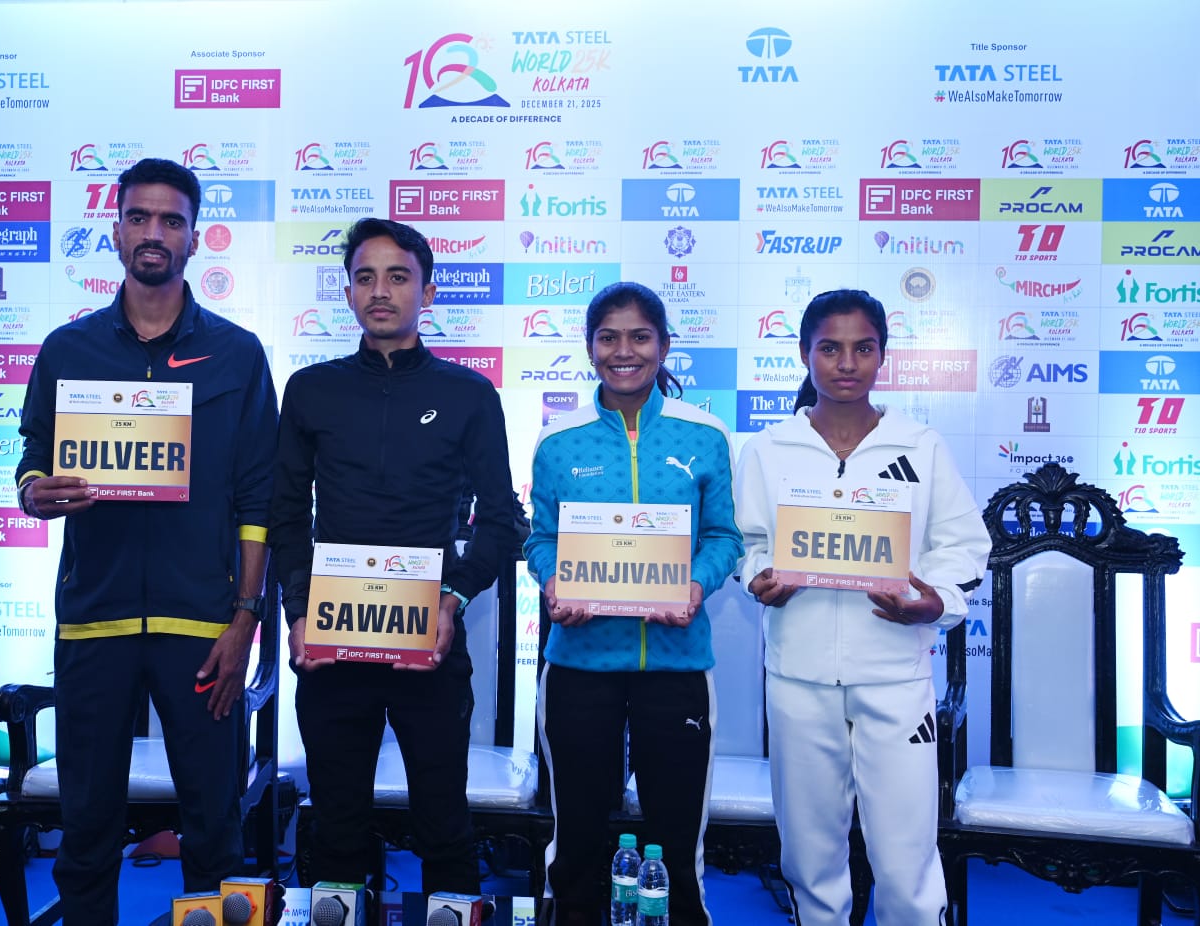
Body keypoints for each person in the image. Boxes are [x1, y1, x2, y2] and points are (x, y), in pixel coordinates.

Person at [14, 157, 278, 926]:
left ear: (195, 237)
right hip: (93, 621)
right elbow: (33, 458)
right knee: (86, 830)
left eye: (170, 220)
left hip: (201, 626)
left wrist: (244, 619)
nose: (153, 232)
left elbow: (257, 498)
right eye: (138, 217)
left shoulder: (237, 354)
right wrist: (34, 492)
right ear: (116, 231)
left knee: (214, 831)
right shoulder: (68, 349)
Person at [269, 217, 517, 896]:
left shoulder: (468, 394)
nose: (380, 291)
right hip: (332, 642)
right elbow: (285, 515)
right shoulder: (310, 390)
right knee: (336, 828)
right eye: (365, 277)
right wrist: (297, 612)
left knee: (445, 826)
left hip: (428, 641)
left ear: (427, 292)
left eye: (398, 276)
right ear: (347, 292)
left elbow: (502, 521)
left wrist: (454, 599)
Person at [733, 289, 990, 926]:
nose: (846, 363)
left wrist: (934, 602)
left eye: (863, 348)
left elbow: (963, 546)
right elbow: (748, 542)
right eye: (830, 348)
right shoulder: (769, 449)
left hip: (896, 678)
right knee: (809, 855)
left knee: (906, 859)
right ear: (804, 354)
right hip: (798, 678)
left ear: (882, 355)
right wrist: (758, 574)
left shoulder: (921, 445)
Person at [524, 281, 743, 926]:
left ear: (664, 345)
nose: (624, 351)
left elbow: (724, 536)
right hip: (579, 665)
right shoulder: (558, 442)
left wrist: (695, 585)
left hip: (676, 665)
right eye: (609, 337)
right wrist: (554, 582)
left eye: (640, 337)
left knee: (676, 842)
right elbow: (540, 540)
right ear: (590, 346)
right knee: (577, 842)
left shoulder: (705, 435)